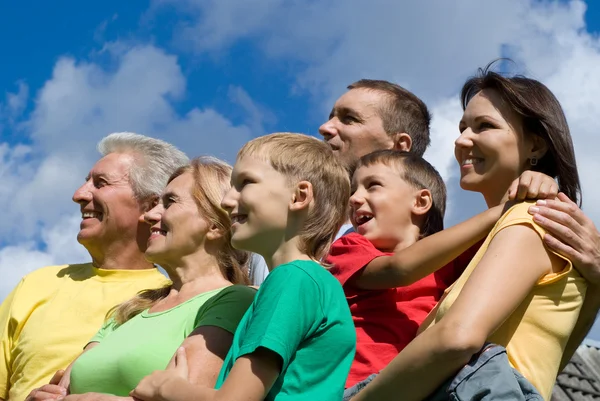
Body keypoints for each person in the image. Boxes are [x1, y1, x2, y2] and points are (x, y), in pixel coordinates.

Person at [353, 65, 587, 400]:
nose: (462, 140)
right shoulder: (486, 243)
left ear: (536, 146)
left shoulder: (531, 219)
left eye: (484, 126)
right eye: (462, 127)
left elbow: (456, 339)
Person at [131, 133, 356, 401]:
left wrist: (166, 388)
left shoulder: (292, 279)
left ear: (299, 196)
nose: (227, 201)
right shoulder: (312, 282)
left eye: (245, 183)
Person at [35, 157, 255, 401]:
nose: (149, 215)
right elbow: (61, 390)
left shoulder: (236, 301)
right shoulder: (132, 309)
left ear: (215, 226)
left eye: (170, 202)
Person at [0, 132, 188, 401]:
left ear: (151, 205)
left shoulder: (179, 300)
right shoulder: (36, 284)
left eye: (101, 183)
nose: (79, 195)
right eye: (86, 182)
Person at [327, 150, 512, 396]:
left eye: (372, 186)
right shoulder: (348, 249)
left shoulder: (450, 262)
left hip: (419, 384)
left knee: (492, 365)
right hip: (355, 387)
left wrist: (533, 183)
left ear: (420, 202)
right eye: (353, 190)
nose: (354, 198)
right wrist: (498, 212)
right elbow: (399, 269)